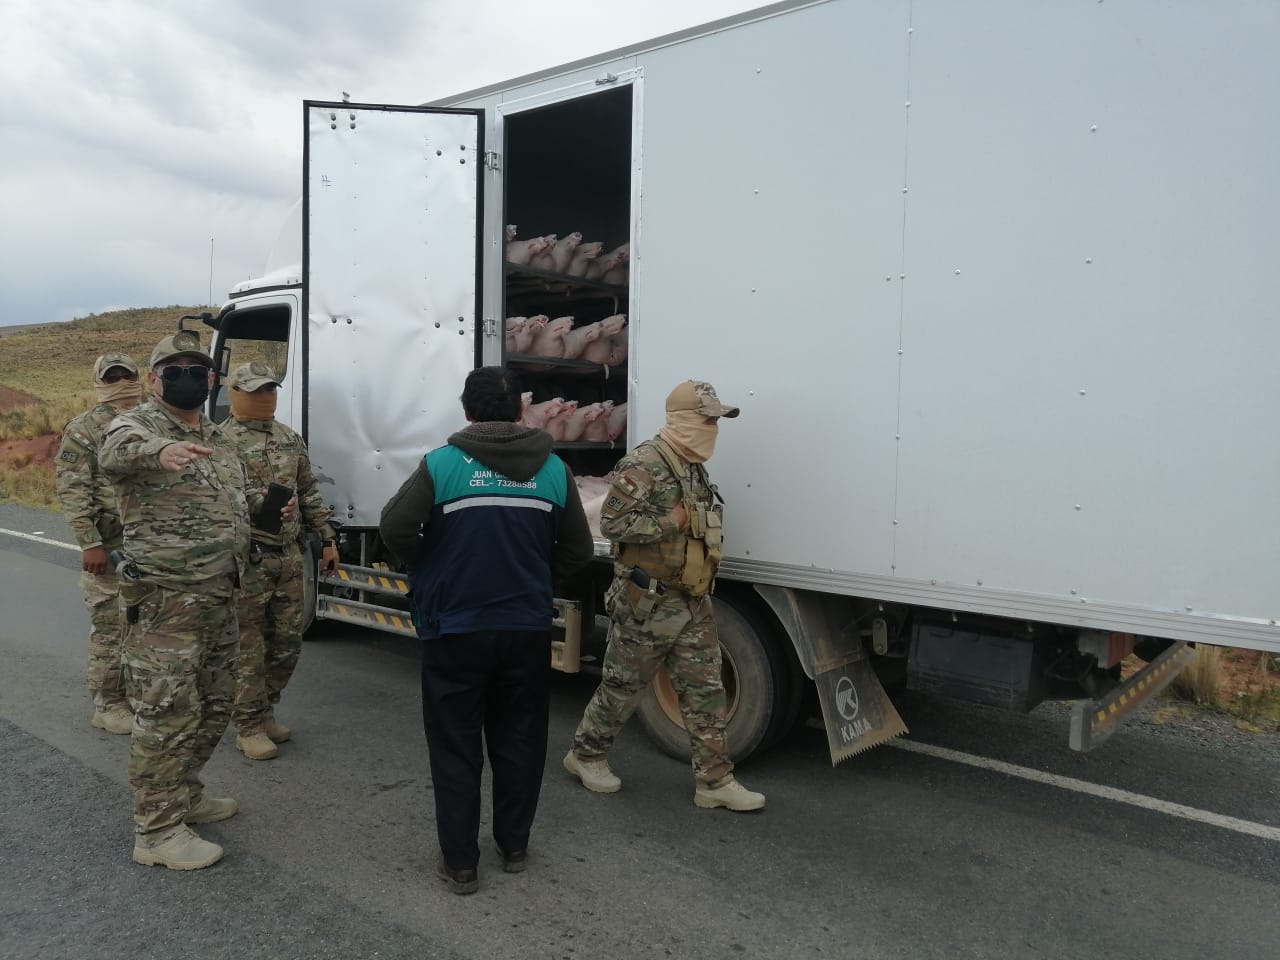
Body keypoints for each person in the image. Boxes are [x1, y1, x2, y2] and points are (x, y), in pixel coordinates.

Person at [379, 366, 593, 895]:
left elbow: (395, 527)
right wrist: (536, 580)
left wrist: (431, 567)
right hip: (524, 628)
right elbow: (579, 553)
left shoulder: (442, 465)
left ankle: (460, 863)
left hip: (454, 627)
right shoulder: (554, 471)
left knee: (455, 744)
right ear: (521, 411)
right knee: (519, 737)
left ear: (468, 411)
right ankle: (514, 845)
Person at [100, 330, 278, 871]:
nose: (186, 374)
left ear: (212, 380)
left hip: (221, 592)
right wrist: (162, 449)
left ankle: (186, 797)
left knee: (214, 703)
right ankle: (155, 833)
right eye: (173, 367)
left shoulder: (220, 440)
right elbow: (116, 451)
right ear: (153, 379)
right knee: (165, 713)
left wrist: (265, 507)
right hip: (166, 599)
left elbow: (228, 497)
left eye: (196, 368)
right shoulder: (137, 425)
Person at [563, 380, 766, 812]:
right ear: (681, 419)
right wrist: (671, 522)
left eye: (716, 420)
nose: (712, 427)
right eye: (706, 418)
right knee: (622, 688)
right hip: (648, 602)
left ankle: (715, 781)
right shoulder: (645, 463)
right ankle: (586, 755)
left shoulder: (692, 467)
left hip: (692, 598)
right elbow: (612, 526)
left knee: (706, 691)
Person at [220, 362, 339, 761]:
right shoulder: (220, 443)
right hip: (248, 561)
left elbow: (308, 490)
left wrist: (327, 537)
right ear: (234, 392)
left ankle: (266, 709)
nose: (265, 397)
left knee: (287, 643)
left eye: (270, 389)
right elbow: (219, 504)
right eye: (255, 390)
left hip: (288, 559)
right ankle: (248, 725)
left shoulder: (289, 439)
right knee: (249, 648)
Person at [54, 353, 143, 735]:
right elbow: (74, 490)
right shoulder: (84, 429)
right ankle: (109, 704)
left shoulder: (152, 422)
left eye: (127, 375)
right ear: (100, 381)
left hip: (154, 547)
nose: (121, 382)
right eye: (113, 376)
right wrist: (90, 542)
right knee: (111, 627)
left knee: (147, 629)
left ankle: (139, 696)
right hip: (110, 548)